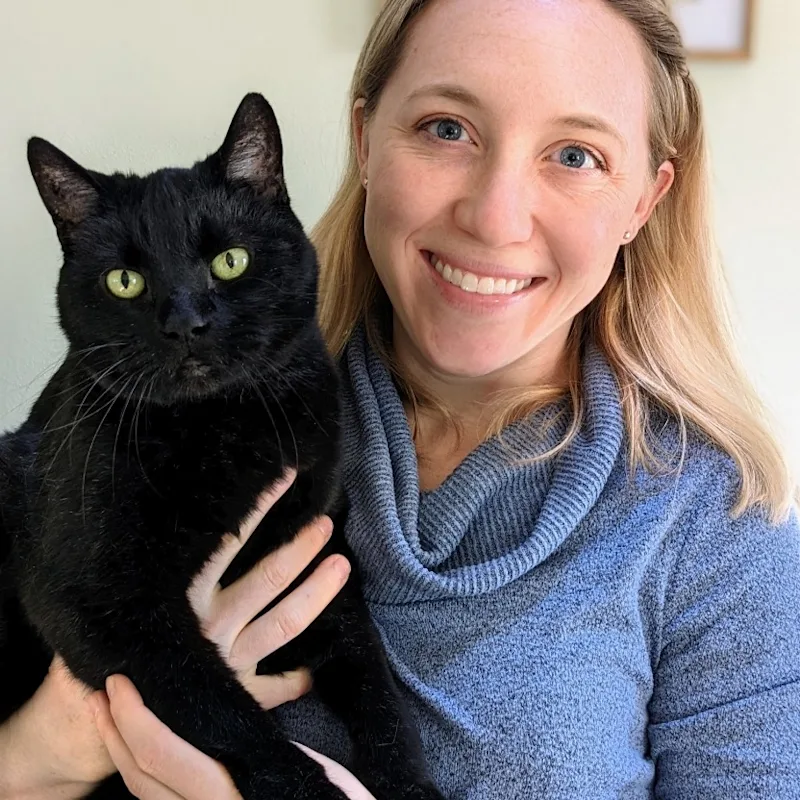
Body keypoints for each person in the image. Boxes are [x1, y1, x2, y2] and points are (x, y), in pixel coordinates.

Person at [1, 0, 799, 797]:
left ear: (644, 202)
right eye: (448, 128)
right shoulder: (164, 409)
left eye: (576, 154)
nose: (494, 217)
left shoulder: (719, 528)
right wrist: (52, 749)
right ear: (365, 142)